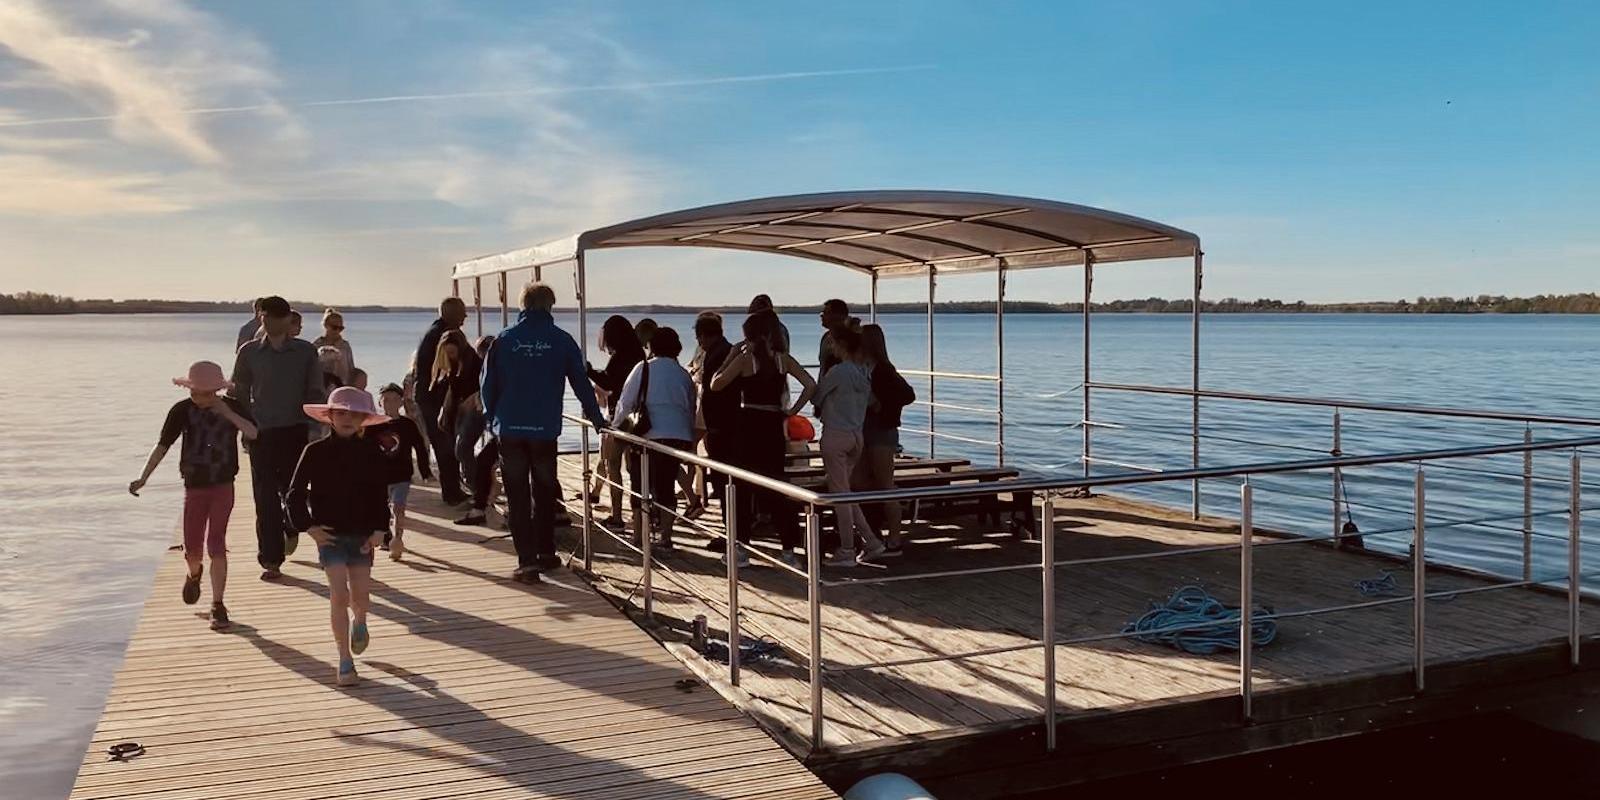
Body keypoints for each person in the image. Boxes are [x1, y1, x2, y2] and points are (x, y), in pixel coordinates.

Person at [480, 282, 606, 583]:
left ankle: (527, 561)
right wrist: (598, 419)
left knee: (518, 494)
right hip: (545, 428)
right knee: (545, 489)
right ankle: (547, 551)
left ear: (522, 305)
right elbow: (581, 382)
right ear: (550, 305)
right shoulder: (561, 340)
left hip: (509, 427)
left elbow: (487, 384)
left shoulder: (504, 340)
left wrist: (490, 418)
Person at [129, 361, 258, 630]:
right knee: (193, 549)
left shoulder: (231, 407)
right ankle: (194, 573)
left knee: (217, 543)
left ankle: (218, 604)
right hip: (194, 486)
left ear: (217, 391)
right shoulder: (182, 411)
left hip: (223, 484)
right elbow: (163, 444)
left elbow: (254, 433)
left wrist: (226, 411)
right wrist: (143, 477)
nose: (199, 398)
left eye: (206, 394)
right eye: (195, 392)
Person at [285, 387, 391, 686]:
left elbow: (380, 497)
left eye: (355, 414)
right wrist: (307, 527)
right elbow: (293, 495)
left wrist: (381, 530)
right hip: (329, 536)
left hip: (362, 536)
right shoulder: (314, 451)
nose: (347, 418)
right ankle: (345, 660)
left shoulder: (372, 453)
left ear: (364, 420)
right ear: (329, 416)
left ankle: (361, 622)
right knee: (338, 594)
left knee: (360, 595)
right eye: (341, 412)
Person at [711, 312, 816, 568]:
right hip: (772, 426)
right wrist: (791, 411)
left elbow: (716, 384)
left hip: (748, 425)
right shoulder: (783, 360)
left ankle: (741, 548)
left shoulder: (746, 360)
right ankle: (789, 549)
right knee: (776, 486)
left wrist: (729, 358)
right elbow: (810, 384)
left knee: (742, 487)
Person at [230, 295, 323, 580]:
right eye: (264, 317)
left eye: (274, 317)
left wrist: (314, 429)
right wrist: (245, 427)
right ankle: (271, 559)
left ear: (287, 320)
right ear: (261, 318)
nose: (268, 322)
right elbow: (239, 393)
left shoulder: (306, 352)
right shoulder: (248, 352)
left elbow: (315, 392)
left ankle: (291, 525)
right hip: (261, 433)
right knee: (264, 497)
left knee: (295, 492)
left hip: (296, 431)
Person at [614, 327, 696, 553]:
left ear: (652, 346)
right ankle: (666, 537)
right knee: (666, 485)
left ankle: (640, 536)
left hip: (647, 435)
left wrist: (615, 427)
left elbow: (626, 401)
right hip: (676, 436)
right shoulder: (683, 374)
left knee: (640, 485)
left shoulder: (643, 368)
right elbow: (690, 408)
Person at [812, 327, 885, 566]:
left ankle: (847, 548)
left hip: (836, 434)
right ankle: (871, 541)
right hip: (856, 435)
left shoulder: (838, 372)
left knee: (840, 495)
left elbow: (817, 396)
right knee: (845, 493)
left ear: (841, 345)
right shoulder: (864, 373)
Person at [856, 324, 915, 554]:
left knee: (884, 483)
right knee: (860, 482)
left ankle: (895, 537)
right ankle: (871, 531)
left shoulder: (883, 370)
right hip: (862, 428)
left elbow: (907, 395)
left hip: (880, 429)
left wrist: (882, 406)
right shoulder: (862, 367)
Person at [585, 315, 645, 528]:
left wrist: (590, 371)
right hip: (637, 417)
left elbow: (610, 382)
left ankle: (617, 514)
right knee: (633, 468)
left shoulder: (619, 357)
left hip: (620, 417)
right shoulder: (639, 355)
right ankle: (641, 513)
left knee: (613, 465)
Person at [415, 297, 470, 505]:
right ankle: (452, 492)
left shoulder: (436, 332)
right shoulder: (442, 336)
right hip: (435, 400)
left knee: (445, 444)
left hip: (431, 398)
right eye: (462, 312)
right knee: (445, 445)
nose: (465, 316)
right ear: (450, 313)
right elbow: (449, 371)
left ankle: (453, 489)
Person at [373, 384, 433, 561]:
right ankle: (386, 537)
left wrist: (425, 471)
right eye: (386, 400)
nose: (390, 403)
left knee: (398, 507)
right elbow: (364, 449)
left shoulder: (408, 425)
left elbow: (420, 448)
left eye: (394, 399)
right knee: (380, 508)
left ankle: (398, 541)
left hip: (401, 474)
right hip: (379, 476)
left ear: (401, 402)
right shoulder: (373, 424)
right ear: (379, 402)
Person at [429, 330, 482, 495]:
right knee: (458, 448)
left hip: (474, 409)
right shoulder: (452, 364)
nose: (450, 355)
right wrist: (444, 412)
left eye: (452, 352)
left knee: (463, 448)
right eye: (447, 353)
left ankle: (476, 485)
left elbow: (483, 384)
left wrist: (474, 397)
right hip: (457, 410)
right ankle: (473, 483)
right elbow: (452, 390)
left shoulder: (474, 361)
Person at [694, 312, 738, 507]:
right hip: (724, 423)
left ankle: (730, 527)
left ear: (705, 335)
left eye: (698, 337)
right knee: (724, 477)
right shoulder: (724, 351)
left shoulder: (718, 355)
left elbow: (714, 391)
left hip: (721, 424)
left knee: (723, 478)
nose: (699, 342)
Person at [312, 309, 356, 384]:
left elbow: (351, 368)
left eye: (341, 328)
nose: (338, 331)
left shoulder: (345, 345)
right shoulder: (316, 345)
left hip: (342, 387)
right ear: (326, 325)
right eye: (334, 327)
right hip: (322, 387)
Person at [817, 298, 851, 377]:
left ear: (838, 315)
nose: (822, 316)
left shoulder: (849, 339)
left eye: (826, 313)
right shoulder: (826, 337)